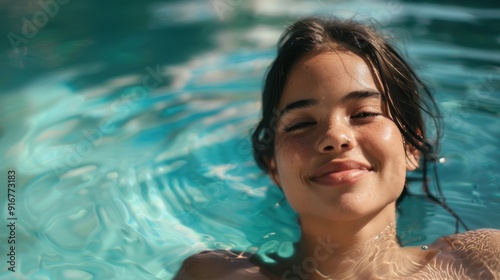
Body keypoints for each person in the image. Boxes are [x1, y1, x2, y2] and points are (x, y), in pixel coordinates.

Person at [174, 16, 500, 280]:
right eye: (301, 123)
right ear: (273, 167)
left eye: (363, 114)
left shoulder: (481, 262)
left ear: (411, 148)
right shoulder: (215, 275)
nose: (335, 137)